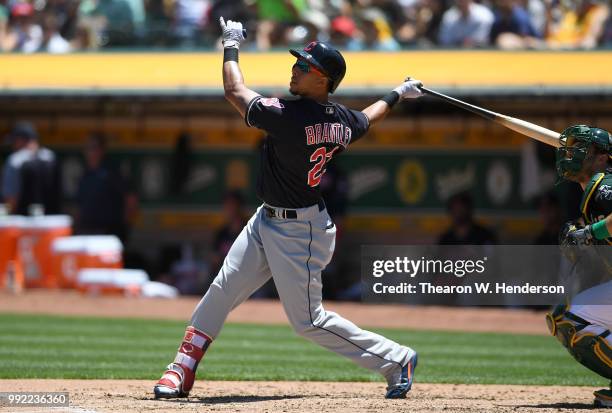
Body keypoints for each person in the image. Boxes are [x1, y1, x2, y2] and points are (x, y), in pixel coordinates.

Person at [153, 18, 424, 400]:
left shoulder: (289, 115)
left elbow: (234, 89)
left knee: (309, 321)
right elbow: (369, 117)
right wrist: (398, 92)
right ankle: (180, 368)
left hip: (302, 231)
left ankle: (396, 360)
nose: (294, 69)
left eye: (303, 67)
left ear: (323, 80)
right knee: (222, 288)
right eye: (296, 63)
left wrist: (231, 40)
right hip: (268, 218)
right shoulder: (340, 120)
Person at [547, 125, 612, 408]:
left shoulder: (604, 186)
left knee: (575, 317)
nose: (570, 153)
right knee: (565, 315)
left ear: (602, 156)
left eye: (580, 147)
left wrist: (588, 233)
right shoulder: (597, 188)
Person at [75, 134, 137, 244]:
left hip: (109, 233)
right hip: (87, 232)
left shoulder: (112, 172)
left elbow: (130, 199)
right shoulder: (85, 174)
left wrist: (124, 227)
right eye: (87, 148)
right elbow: (80, 205)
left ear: (101, 150)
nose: (90, 152)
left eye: (93, 148)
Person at [1, 122, 60, 216]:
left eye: (14, 141)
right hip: (51, 222)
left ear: (20, 140)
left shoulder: (15, 160)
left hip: (23, 224)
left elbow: (11, 198)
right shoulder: (51, 157)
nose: (13, 145)